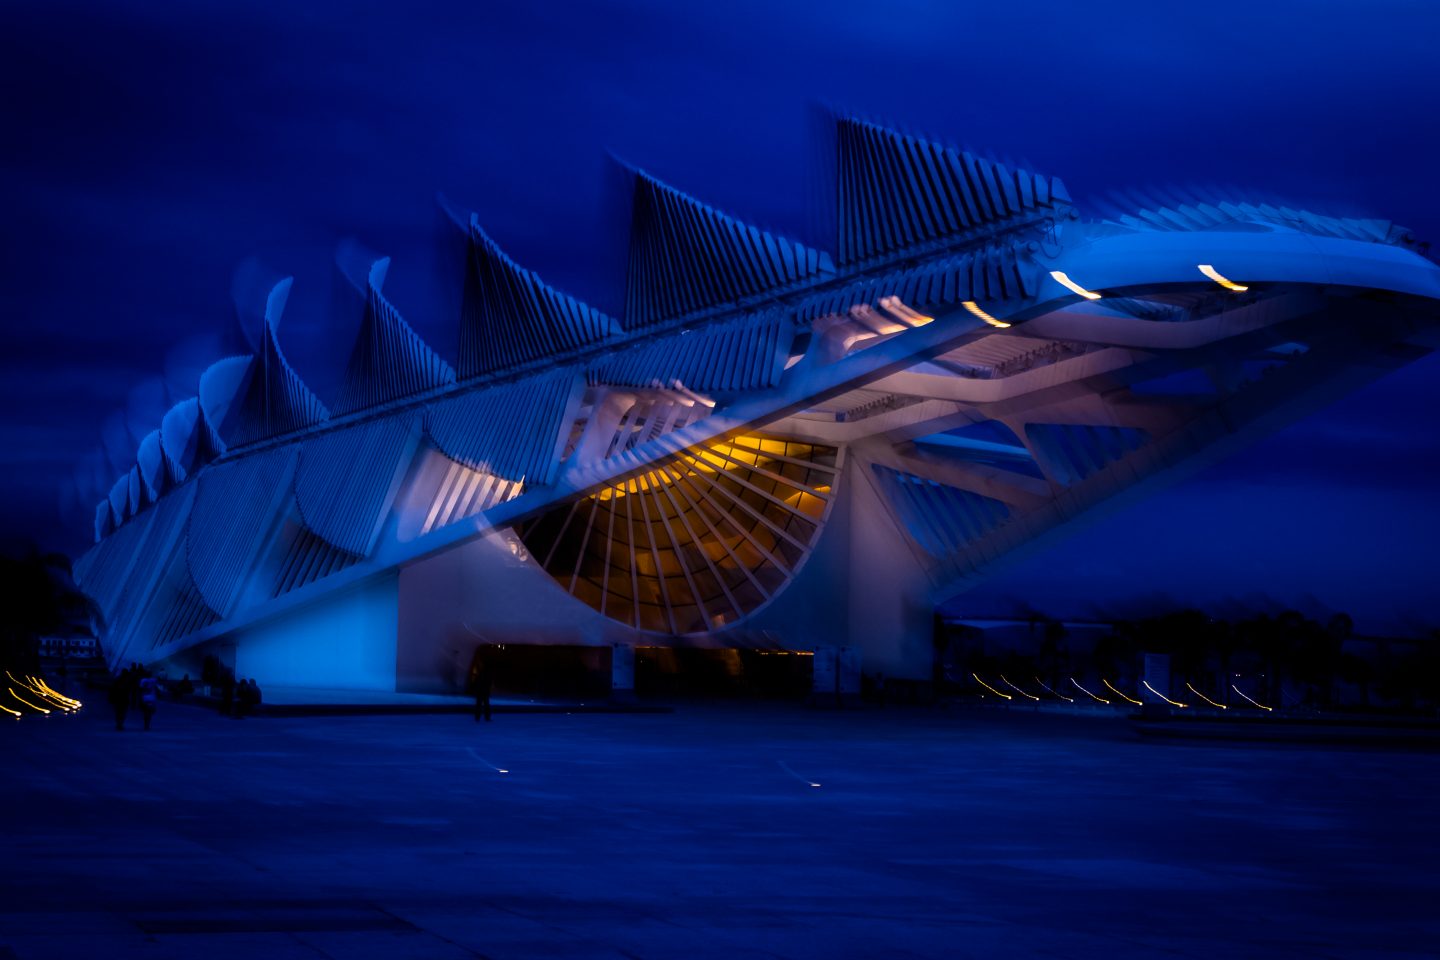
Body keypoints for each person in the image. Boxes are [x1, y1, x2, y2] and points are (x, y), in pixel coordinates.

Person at [470, 657, 492, 723]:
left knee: (479, 704)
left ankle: (478, 717)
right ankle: (486, 717)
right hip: (484, 690)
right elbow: (488, 682)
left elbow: (477, 681)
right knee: (485, 704)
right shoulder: (487, 673)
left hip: (480, 690)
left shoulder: (481, 673)